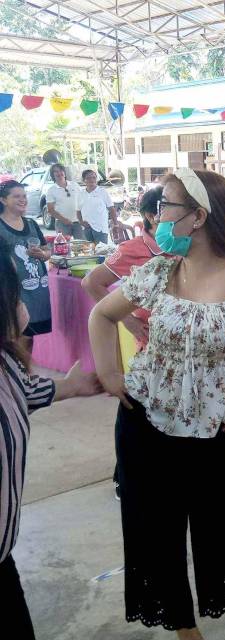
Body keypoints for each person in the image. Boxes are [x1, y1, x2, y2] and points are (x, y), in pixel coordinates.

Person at [88, 168, 225, 640]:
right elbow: (101, 314)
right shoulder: (160, 270)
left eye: (165, 206)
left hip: (215, 428)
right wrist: (112, 375)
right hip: (144, 423)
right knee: (155, 528)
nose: (156, 217)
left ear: (197, 216)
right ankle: (181, 623)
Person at [0, 237, 101, 640]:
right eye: (15, 292)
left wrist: (71, 387)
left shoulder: (5, 361)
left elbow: (25, 392)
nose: (23, 303)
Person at [83, 186, 165, 351]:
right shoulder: (133, 248)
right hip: (152, 344)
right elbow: (91, 282)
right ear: (151, 216)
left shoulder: (185, 244)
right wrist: (128, 320)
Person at [0, 180, 51, 351]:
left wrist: (43, 255)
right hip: (13, 295)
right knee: (14, 340)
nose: (23, 200)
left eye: (24, 196)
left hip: (38, 293)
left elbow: (46, 250)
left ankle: (25, 376)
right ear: (3, 200)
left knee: (30, 340)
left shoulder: (31, 224)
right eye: (16, 196)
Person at [76, 169, 117, 244]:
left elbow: (111, 209)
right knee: (88, 252)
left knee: (101, 251)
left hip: (100, 228)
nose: (91, 180)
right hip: (87, 228)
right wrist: (81, 222)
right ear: (84, 180)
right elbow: (78, 211)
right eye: (88, 178)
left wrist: (115, 224)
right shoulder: (81, 194)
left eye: (94, 177)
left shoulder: (102, 192)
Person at [45, 163, 82, 237]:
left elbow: (83, 201)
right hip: (62, 223)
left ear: (64, 172)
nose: (59, 173)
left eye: (61, 170)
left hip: (78, 222)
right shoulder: (51, 190)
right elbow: (50, 210)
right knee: (63, 246)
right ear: (53, 175)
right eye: (56, 171)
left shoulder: (75, 185)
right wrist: (64, 220)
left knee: (82, 246)